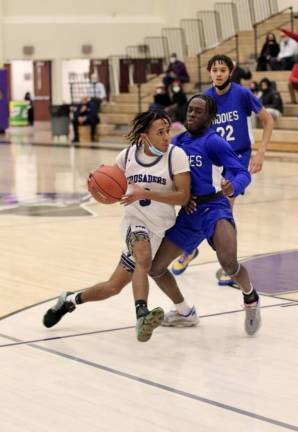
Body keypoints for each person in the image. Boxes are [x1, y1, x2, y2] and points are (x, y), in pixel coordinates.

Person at [43, 110, 191, 342]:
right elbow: (111, 185)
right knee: (144, 257)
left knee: (112, 287)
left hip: (159, 228)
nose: (166, 137)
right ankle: (142, 313)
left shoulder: (176, 156)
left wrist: (146, 192)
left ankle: (69, 300)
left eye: (167, 131)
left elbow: (183, 196)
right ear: (144, 136)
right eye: (160, 132)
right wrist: (100, 189)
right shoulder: (127, 156)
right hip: (134, 223)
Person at [149, 95, 261, 336]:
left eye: (198, 111)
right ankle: (184, 311)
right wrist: (182, 195)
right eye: (190, 110)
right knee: (155, 268)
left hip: (215, 208)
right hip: (189, 213)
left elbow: (242, 172)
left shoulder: (214, 142)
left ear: (210, 118)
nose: (191, 114)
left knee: (229, 263)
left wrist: (234, 185)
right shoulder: (177, 143)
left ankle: (250, 296)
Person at [172, 54, 273, 283]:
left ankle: (228, 264)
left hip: (236, 156)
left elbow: (268, 120)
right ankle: (191, 248)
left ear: (230, 71)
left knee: (225, 208)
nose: (218, 74)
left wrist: (261, 151)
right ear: (210, 72)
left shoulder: (242, 94)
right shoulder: (204, 99)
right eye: (214, 70)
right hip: (210, 155)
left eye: (222, 70)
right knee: (199, 203)